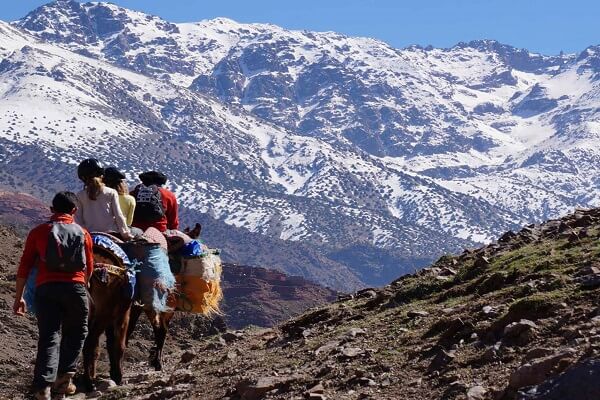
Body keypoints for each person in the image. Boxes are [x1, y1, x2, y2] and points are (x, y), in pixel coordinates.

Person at [13, 192, 94, 400]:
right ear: (74, 211)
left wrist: (19, 297)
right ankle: (64, 380)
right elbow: (89, 268)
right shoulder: (83, 233)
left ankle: (43, 386)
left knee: (49, 336)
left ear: (51, 210)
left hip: (46, 289)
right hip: (75, 288)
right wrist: (82, 286)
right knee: (78, 331)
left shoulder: (38, 232)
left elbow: (25, 266)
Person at [75, 159, 132, 240]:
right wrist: (125, 234)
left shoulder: (80, 195)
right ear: (101, 174)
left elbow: (78, 219)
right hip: (111, 235)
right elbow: (119, 216)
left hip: (90, 235)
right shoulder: (111, 192)